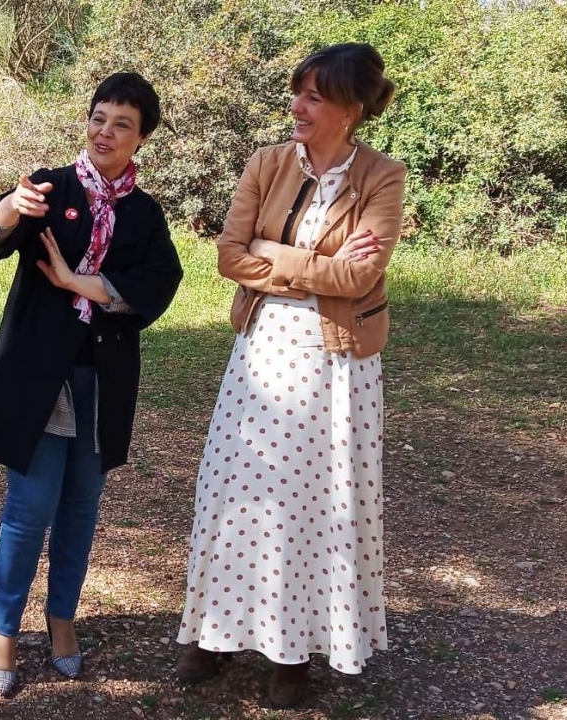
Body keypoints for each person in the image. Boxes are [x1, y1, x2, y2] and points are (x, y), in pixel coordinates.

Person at [173, 43, 406, 708]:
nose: (298, 107)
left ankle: (295, 651)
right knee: (233, 490)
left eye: (313, 96)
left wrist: (273, 257)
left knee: (314, 504)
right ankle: (214, 632)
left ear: (351, 110)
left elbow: (362, 276)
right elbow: (227, 256)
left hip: (337, 362)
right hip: (264, 350)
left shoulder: (383, 177)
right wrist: (308, 264)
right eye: (297, 93)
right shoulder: (267, 163)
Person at [0, 72, 183, 696]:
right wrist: (10, 208)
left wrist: (79, 283)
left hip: (103, 380)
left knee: (82, 511)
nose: (105, 131)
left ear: (141, 138)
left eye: (122, 123)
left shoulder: (144, 212)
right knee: (28, 511)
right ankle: (3, 630)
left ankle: (62, 619)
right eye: (98, 117)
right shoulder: (50, 186)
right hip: (39, 376)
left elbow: (159, 283)